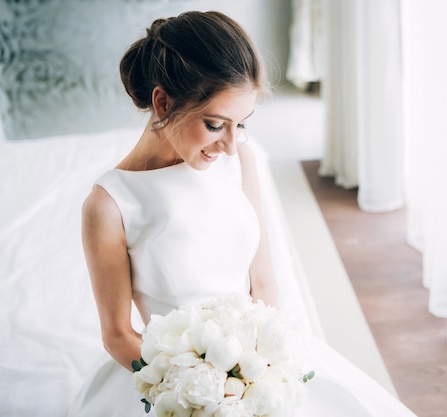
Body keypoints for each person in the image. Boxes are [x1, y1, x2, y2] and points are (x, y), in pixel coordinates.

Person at [67, 10, 418, 417]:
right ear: (163, 102)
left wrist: (256, 377)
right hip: (178, 384)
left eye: (241, 124)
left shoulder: (240, 161)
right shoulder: (110, 204)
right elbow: (117, 334)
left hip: (257, 367)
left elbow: (264, 285)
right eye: (215, 124)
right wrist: (196, 393)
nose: (231, 145)